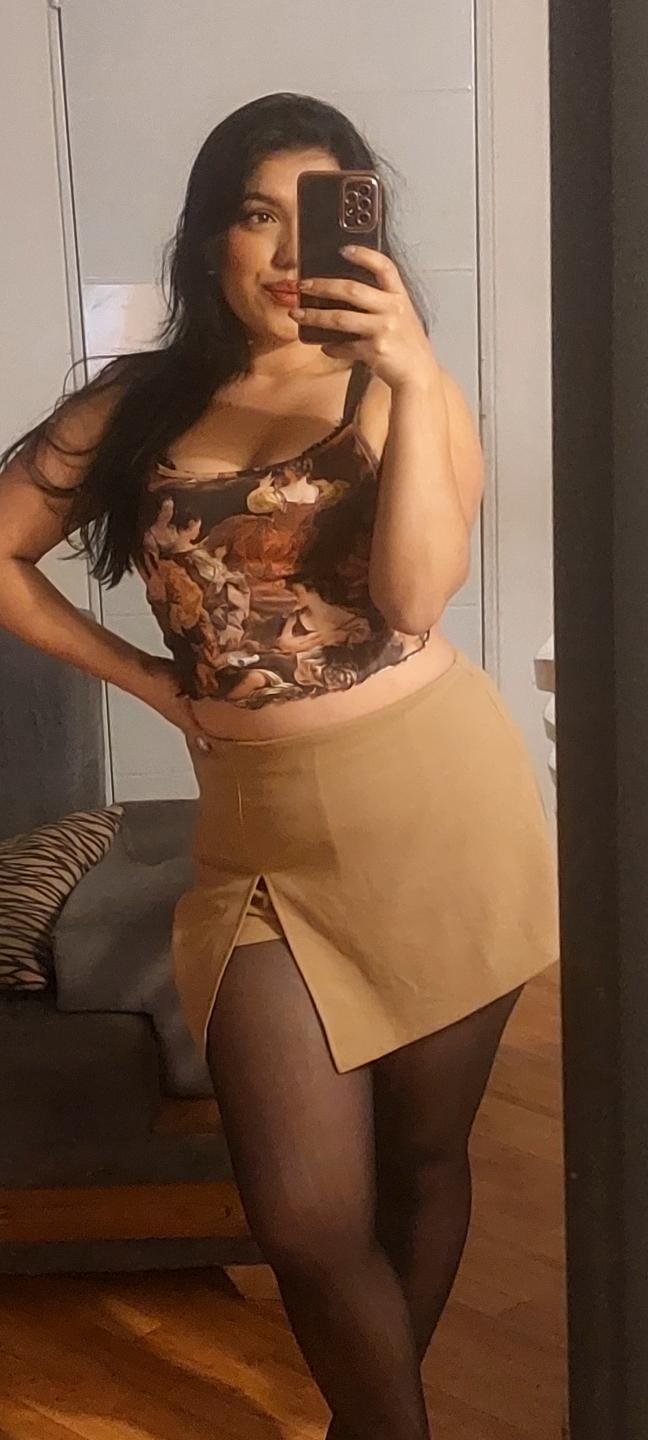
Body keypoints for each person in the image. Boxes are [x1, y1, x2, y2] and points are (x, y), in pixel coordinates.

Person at [0, 92, 559, 1440]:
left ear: (366, 231)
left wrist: (413, 373)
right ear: (213, 234)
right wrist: (143, 677)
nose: (288, 252)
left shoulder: (400, 392)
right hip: (259, 852)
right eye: (259, 213)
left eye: (318, 214)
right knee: (302, 1215)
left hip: (439, 812)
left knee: (423, 1160)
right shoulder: (137, 405)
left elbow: (413, 599)